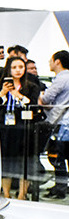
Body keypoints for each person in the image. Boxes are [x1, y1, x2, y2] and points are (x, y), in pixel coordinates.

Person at [0, 56, 41, 200]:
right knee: (7, 161)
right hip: (6, 129)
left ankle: (22, 194)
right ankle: (6, 194)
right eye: (14, 67)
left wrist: (18, 95)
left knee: (23, 163)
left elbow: (33, 106)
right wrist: (2, 93)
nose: (18, 70)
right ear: (9, 69)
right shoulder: (2, 85)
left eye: (21, 67)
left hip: (24, 129)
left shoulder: (31, 86)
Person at [39, 50, 69, 199]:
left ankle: (60, 188)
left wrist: (41, 96)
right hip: (65, 122)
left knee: (57, 156)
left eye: (51, 60)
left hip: (60, 122)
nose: (49, 63)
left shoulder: (61, 79)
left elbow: (46, 99)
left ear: (57, 61)